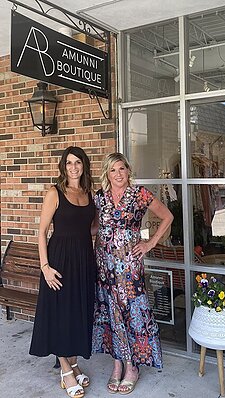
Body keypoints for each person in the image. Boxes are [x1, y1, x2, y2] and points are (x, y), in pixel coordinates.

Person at [93, 152, 174, 394]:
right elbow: (96, 226)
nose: (118, 174)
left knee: (130, 312)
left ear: (128, 170)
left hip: (129, 266)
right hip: (104, 264)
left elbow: (167, 216)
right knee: (110, 311)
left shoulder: (139, 194)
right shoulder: (100, 197)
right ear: (107, 174)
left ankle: (132, 366)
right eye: (113, 170)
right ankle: (117, 364)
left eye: (121, 169)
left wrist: (150, 244)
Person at [30, 146, 98, 398]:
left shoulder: (88, 192)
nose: (73, 167)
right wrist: (45, 267)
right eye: (69, 163)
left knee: (77, 311)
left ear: (83, 165)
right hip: (58, 260)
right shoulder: (54, 192)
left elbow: (89, 228)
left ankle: (74, 361)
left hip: (83, 259)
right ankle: (66, 369)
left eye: (77, 162)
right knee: (60, 312)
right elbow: (42, 232)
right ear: (63, 166)